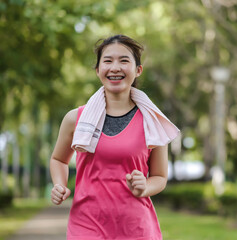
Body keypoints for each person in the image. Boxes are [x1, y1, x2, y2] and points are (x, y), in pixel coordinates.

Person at [49, 34, 180, 240]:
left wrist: (145, 186)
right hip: (86, 226)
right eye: (108, 61)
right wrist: (59, 184)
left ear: (138, 70)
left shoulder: (152, 122)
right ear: (98, 70)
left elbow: (160, 177)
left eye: (124, 60)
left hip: (136, 229)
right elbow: (58, 159)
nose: (115, 67)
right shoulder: (75, 119)